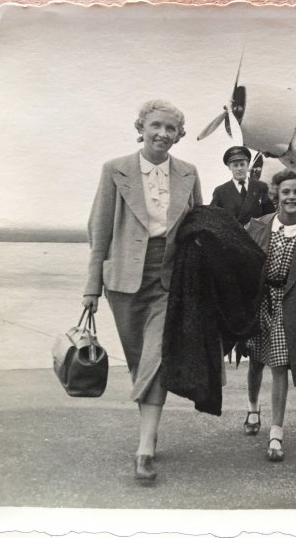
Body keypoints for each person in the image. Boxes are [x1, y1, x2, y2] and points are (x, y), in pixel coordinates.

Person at [82, 99, 203, 482]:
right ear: (142, 126)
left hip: (170, 280)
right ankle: (149, 430)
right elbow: (99, 231)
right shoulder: (115, 170)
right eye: (156, 126)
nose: (163, 134)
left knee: (156, 359)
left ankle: (144, 449)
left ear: (179, 135)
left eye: (171, 129)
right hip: (123, 280)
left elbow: (198, 229)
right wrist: (91, 289)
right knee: (140, 363)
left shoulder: (188, 173)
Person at [242, 169, 296, 461]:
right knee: (256, 361)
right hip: (259, 302)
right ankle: (252, 407)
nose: (291, 197)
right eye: (286, 192)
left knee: (280, 365)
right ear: (276, 195)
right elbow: (243, 264)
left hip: (288, 305)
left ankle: (276, 432)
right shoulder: (258, 226)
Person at [210, 147, 275, 226]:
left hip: (256, 236)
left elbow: (270, 215)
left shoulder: (260, 187)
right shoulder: (221, 191)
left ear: (247, 165)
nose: (239, 168)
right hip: (233, 236)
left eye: (242, 164)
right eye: (235, 165)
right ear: (229, 167)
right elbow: (213, 218)